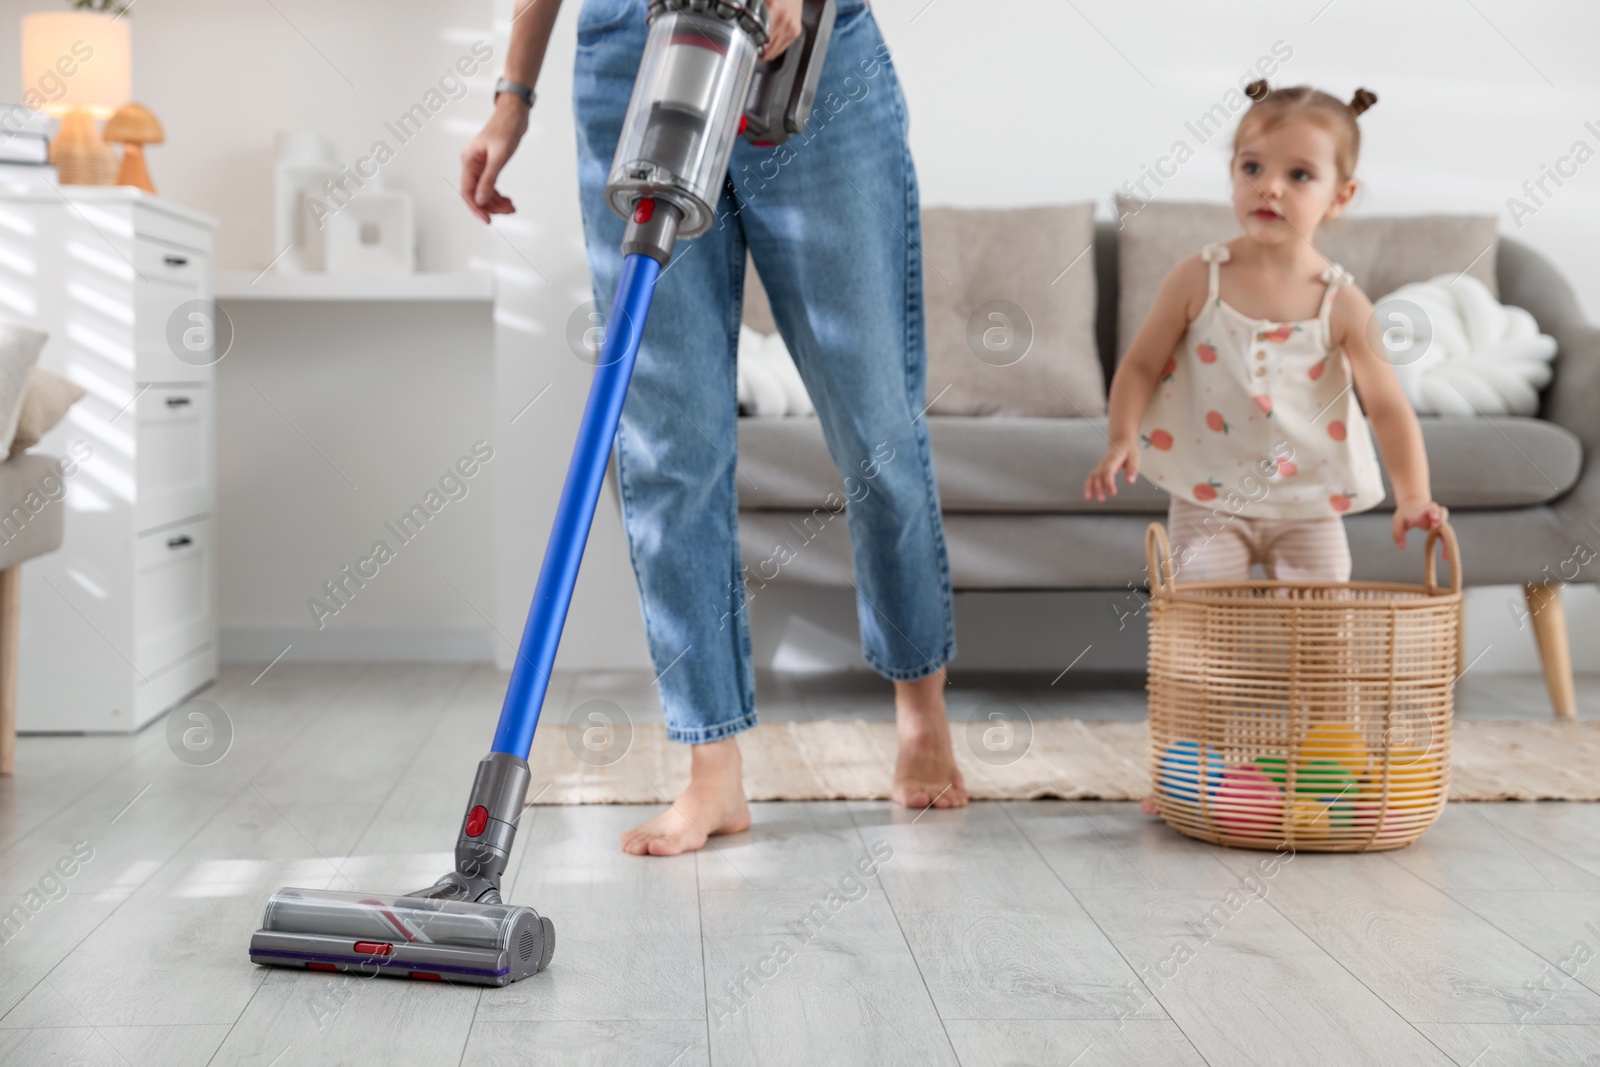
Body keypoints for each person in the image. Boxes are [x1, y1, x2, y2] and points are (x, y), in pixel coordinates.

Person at [461, 0, 964, 855]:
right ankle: (713, 769)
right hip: (633, 45)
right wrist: (513, 95)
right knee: (667, 443)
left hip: (808, 44)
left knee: (874, 424)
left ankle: (920, 708)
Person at [1083, 81, 1448, 814]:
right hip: (1209, 499)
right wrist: (1123, 436)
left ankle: (1328, 766)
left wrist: (1412, 495)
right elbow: (1140, 365)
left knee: (1325, 653)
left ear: (1341, 196)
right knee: (1200, 648)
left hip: (1309, 506)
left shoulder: (1341, 302)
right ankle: (1190, 770)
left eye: (1298, 175)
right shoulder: (1200, 277)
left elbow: (1386, 405)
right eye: (1252, 168)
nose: (1270, 188)